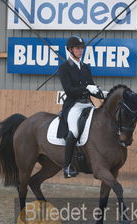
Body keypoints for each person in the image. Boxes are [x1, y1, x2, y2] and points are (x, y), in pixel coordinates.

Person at [57, 35, 104, 178]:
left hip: (88, 104)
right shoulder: (64, 68)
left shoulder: (85, 67)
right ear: (70, 50)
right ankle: (67, 167)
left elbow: (92, 87)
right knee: (74, 131)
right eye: (78, 48)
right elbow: (69, 90)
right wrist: (87, 89)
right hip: (74, 105)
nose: (80, 50)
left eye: (82, 48)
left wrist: (103, 94)